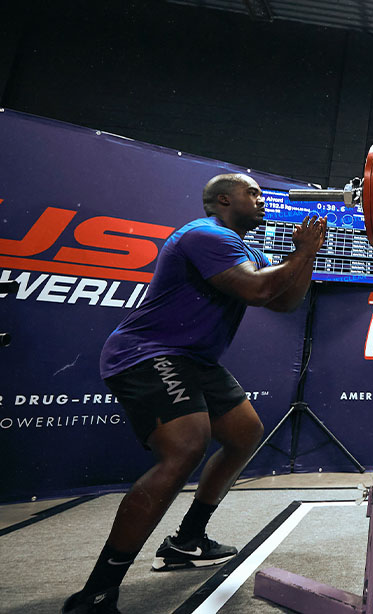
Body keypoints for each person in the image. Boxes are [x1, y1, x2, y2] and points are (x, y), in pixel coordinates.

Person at [62, 173, 327, 614]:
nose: (261, 199)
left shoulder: (246, 249)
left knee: (244, 433)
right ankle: (96, 593)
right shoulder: (205, 235)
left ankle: (187, 540)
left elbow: (285, 301)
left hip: (194, 360)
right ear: (223, 199)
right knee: (185, 447)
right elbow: (259, 290)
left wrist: (308, 256)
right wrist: (300, 253)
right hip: (148, 351)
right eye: (252, 193)